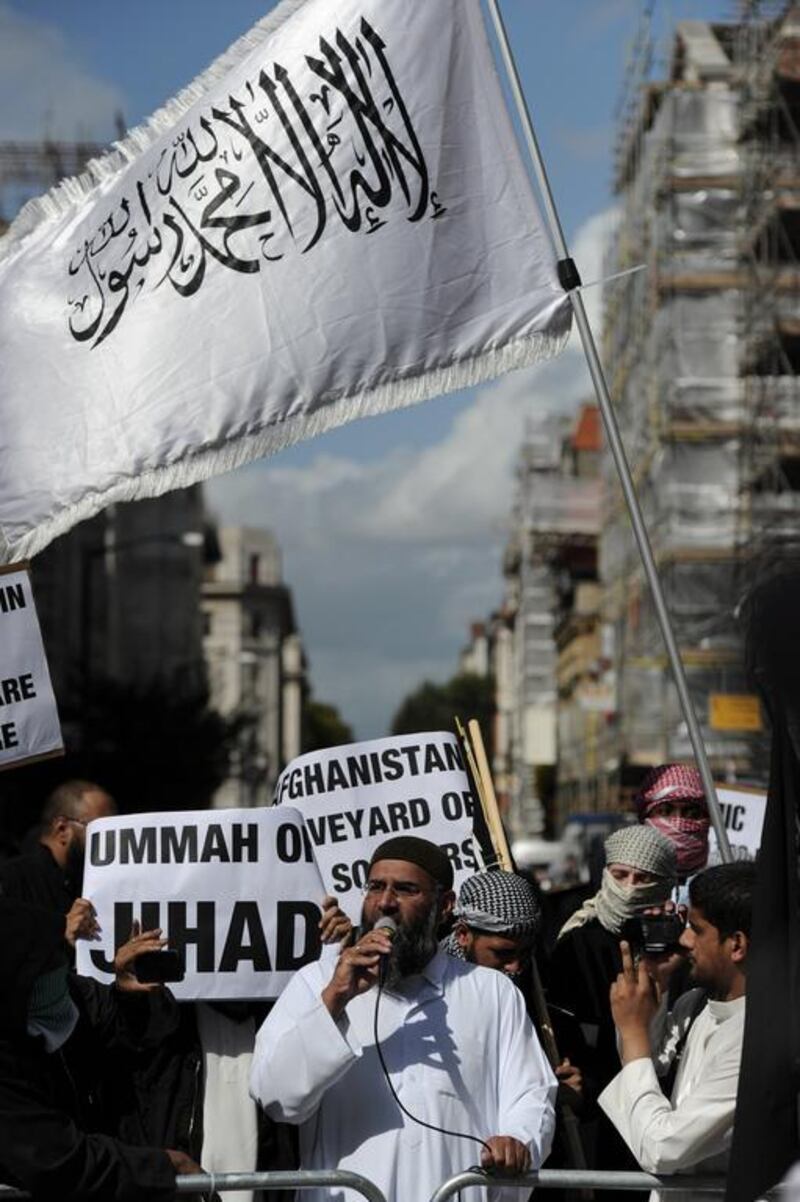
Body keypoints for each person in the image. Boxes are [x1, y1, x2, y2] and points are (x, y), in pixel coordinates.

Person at [250, 836, 557, 1202]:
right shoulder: (316, 982)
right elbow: (277, 1099)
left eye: (406, 890)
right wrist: (336, 998)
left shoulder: (491, 992)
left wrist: (518, 1141)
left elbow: (531, 1094)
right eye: (376, 887)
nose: (385, 903)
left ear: (444, 906)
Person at [0, 897, 198, 1201]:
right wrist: (164, 1166)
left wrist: (129, 993)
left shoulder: (72, 995)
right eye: (44, 967)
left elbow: (121, 1028)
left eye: (60, 959)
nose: (59, 972)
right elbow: (59, 1161)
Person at [599, 861, 756, 1202]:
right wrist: (655, 984)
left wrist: (634, 1034)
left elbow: (661, 1148)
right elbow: (644, 1073)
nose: (684, 940)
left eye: (696, 929)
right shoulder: (697, 1004)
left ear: (737, 945)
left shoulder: (757, 1038)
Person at [546, 825, 677, 1191]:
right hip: (598, 1112)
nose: (630, 887)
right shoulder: (577, 942)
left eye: (643, 878)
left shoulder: (679, 944)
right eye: (620, 875)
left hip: (664, 1111)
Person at [0, 778, 116, 945]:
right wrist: (60, 931)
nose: (111, 841)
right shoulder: (12, 880)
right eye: (100, 829)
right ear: (62, 829)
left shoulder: (85, 882)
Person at [635, 764, 710, 882]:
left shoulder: (718, 878)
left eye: (691, 814)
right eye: (665, 812)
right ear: (646, 816)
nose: (678, 823)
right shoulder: (626, 877)